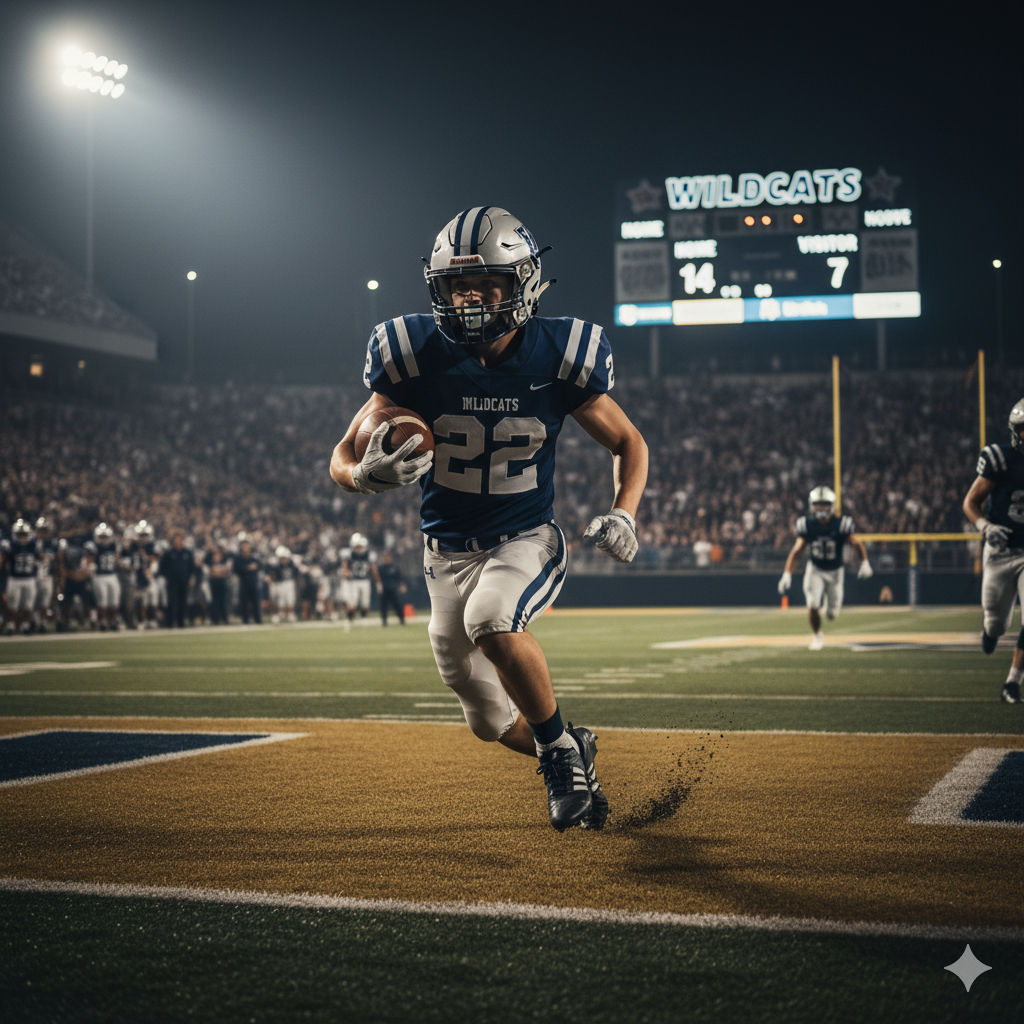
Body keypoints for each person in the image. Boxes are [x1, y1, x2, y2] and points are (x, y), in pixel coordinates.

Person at [329, 206, 648, 832]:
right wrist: (362, 476)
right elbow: (341, 454)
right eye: (457, 286)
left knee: (492, 620)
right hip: (444, 552)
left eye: (488, 285)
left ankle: (557, 756)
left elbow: (629, 442)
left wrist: (625, 513)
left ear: (523, 284)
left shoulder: (560, 353)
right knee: (487, 719)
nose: (470, 299)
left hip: (525, 539)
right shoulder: (411, 351)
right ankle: (572, 747)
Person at [962, 398, 1024, 703]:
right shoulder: (1000, 458)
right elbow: (970, 503)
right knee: (996, 623)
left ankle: (1011, 682)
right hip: (999, 551)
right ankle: (991, 631)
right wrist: (985, 526)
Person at [778, 486, 873, 650]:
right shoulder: (807, 524)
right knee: (812, 604)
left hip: (836, 572)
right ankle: (817, 636)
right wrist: (787, 574)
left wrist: (865, 562)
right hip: (815, 569)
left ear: (832, 505)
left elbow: (857, 543)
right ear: (811, 505)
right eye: (818, 504)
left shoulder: (841, 524)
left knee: (831, 614)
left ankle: (829, 604)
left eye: (825, 504)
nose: (821, 508)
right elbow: (797, 551)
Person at [1, 519, 39, 635]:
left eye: (24, 534)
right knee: (12, 605)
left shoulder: (33, 545)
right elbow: (3, 561)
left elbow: (40, 559)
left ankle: (25, 625)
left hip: (29, 578)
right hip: (14, 578)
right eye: (19, 534)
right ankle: (11, 625)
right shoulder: (10, 546)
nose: (22, 536)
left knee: (28, 605)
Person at [85, 523, 122, 631]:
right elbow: (90, 561)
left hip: (112, 575)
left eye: (105, 537)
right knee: (102, 600)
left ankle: (113, 620)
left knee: (114, 600)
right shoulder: (93, 546)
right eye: (102, 537)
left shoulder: (114, 545)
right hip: (99, 575)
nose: (104, 539)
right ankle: (103, 621)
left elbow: (117, 560)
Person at [159, 532, 195, 628]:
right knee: (171, 602)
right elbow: (162, 567)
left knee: (182, 602)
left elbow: (192, 567)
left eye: (180, 540)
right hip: (172, 581)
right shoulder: (169, 553)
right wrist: (164, 577)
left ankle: (181, 622)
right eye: (176, 540)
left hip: (184, 581)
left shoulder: (187, 553)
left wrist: (192, 577)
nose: (178, 542)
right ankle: (169, 622)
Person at [341, 533, 378, 621]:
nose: (358, 548)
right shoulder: (349, 554)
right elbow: (344, 565)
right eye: (356, 546)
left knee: (365, 602)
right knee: (353, 602)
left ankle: (364, 618)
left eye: (359, 546)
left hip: (365, 580)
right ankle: (350, 618)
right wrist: (345, 572)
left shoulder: (368, 554)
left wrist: (378, 581)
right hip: (354, 580)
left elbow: (373, 568)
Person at [232, 539, 262, 624]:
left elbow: (259, 566)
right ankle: (245, 620)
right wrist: (248, 567)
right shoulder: (238, 559)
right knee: (244, 603)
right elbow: (236, 570)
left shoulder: (254, 558)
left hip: (253, 582)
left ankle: (258, 620)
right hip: (244, 583)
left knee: (255, 602)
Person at [377, 549, 407, 626]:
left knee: (397, 605)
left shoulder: (394, 567)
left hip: (393, 588)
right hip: (384, 589)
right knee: (383, 606)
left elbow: (399, 577)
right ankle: (384, 621)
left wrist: (401, 585)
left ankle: (402, 620)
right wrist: (379, 586)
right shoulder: (381, 568)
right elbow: (378, 578)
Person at [206, 545, 231, 625]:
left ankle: (224, 618)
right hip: (214, 583)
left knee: (223, 602)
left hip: (222, 583)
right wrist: (218, 572)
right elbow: (211, 573)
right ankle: (215, 619)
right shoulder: (210, 563)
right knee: (214, 602)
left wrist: (218, 572)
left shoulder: (224, 562)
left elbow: (225, 573)